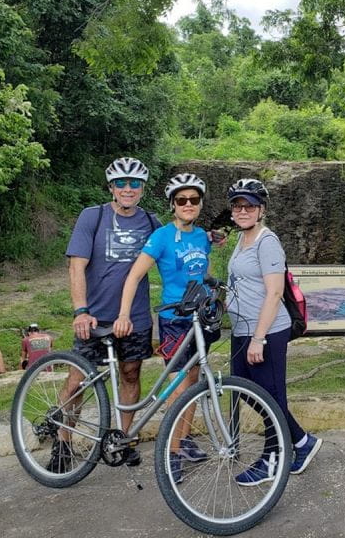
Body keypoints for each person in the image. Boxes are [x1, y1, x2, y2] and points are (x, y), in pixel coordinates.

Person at [115, 172, 223, 483]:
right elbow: (134, 276)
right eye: (181, 200)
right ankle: (171, 452)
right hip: (174, 319)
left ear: (200, 204)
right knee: (178, 388)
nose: (188, 204)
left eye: (194, 200)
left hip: (199, 316)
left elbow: (204, 272)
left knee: (193, 381)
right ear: (172, 205)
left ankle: (185, 439)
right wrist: (124, 314)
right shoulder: (161, 237)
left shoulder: (203, 236)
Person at [54, 157, 160, 472]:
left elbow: (176, 243)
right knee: (78, 381)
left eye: (135, 183)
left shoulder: (152, 223)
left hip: (135, 318)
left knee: (130, 375)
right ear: (112, 187)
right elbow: (76, 266)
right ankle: (62, 441)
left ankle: (123, 440)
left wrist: (207, 239)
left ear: (142, 188)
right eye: (122, 183)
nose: (128, 189)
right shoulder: (93, 217)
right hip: (95, 317)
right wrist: (80, 310)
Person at [225, 178, 322, 486]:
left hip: (265, 331)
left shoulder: (267, 242)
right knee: (247, 390)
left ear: (261, 210)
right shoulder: (241, 240)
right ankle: (301, 441)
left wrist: (259, 337)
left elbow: (274, 291)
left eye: (249, 206)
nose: (243, 211)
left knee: (270, 396)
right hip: (242, 330)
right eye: (238, 206)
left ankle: (272, 458)